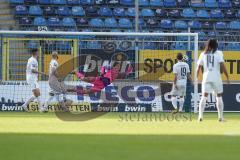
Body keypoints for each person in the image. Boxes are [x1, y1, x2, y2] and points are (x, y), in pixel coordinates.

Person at [197, 38, 229, 122]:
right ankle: (220, 117)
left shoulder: (203, 54)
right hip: (216, 77)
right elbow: (222, 66)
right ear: (215, 45)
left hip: (206, 77)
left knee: (204, 96)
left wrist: (197, 77)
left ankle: (200, 116)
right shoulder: (219, 53)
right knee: (219, 96)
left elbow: (198, 67)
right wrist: (227, 77)